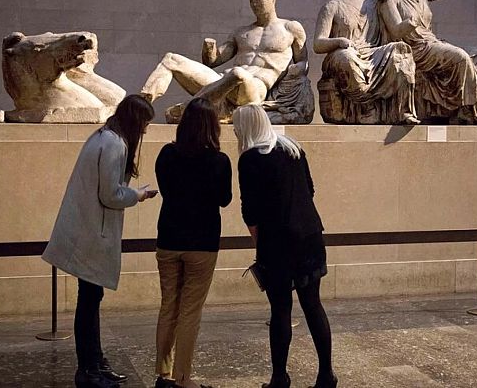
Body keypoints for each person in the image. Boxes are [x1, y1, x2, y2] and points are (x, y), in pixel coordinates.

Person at [42, 94, 157, 388]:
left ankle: (96, 362)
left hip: (86, 230)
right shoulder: (114, 144)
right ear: (135, 120)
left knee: (90, 300)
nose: (145, 130)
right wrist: (139, 195)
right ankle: (88, 369)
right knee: (89, 301)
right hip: (92, 233)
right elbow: (111, 195)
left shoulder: (103, 136)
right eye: (144, 123)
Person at [232, 104, 337, 388]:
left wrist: (259, 246)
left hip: (278, 242)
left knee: (280, 310)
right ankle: (326, 373)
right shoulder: (293, 148)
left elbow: (249, 211)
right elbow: (310, 190)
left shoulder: (250, 158)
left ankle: (280, 377)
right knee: (313, 304)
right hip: (310, 235)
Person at [140, 0, 308, 120]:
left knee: (238, 74)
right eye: (251, 0)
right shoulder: (242, 32)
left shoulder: (290, 28)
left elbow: (302, 62)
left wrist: (294, 74)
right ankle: (141, 106)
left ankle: (189, 108)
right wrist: (209, 48)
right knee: (171, 59)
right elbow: (213, 62)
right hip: (222, 83)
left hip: (253, 90)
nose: (254, 4)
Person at [153, 98, 233, 388]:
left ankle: (162, 372)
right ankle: (183, 377)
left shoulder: (167, 154)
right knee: (190, 310)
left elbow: (165, 189)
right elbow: (224, 199)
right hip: (202, 241)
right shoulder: (219, 160)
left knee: (168, 306)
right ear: (212, 127)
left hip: (169, 237)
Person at [378, 0, 477, 124]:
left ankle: (463, 109)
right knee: (460, 57)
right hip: (416, 49)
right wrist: (410, 23)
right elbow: (396, 31)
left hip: (432, 44)